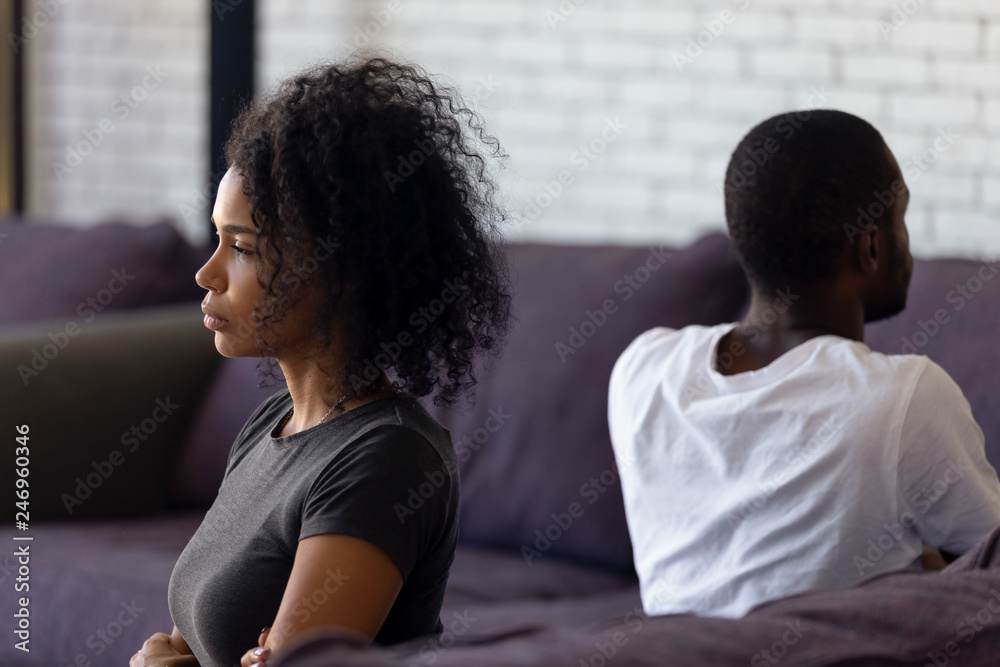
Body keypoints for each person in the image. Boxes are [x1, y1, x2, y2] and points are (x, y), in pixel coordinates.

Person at [130, 56, 511, 667]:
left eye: (243, 249)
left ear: (340, 270)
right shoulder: (268, 425)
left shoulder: (387, 456)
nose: (207, 274)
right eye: (217, 240)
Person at [607, 109, 1000, 619]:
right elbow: (987, 565)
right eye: (899, 217)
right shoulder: (906, 396)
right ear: (872, 246)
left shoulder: (641, 368)